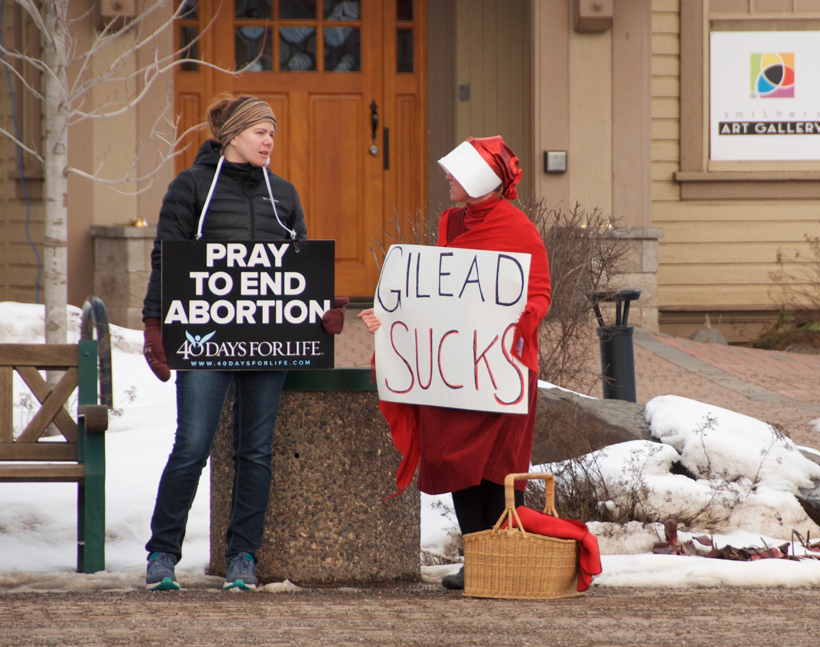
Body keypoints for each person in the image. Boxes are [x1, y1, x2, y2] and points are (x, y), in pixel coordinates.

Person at [140, 94, 348, 591]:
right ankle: (162, 554)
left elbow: (296, 270)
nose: (269, 140)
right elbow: (166, 260)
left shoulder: (284, 195)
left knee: (255, 450)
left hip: (268, 341)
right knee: (192, 445)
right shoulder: (188, 188)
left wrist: (323, 309)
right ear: (232, 134)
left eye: (272, 132)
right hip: (204, 338)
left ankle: (242, 557)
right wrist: (154, 326)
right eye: (260, 131)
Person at [359, 136, 550, 590]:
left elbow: (538, 292)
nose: (447, 178)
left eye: (456, 172)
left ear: (481, 179)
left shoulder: (519, 228)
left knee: (500, 467)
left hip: (500, 367)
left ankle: (505, 557)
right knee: (458, 463)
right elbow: (438, 290)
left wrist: (513, 324)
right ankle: (477, 557)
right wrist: (392, 315)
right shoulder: (452, 221)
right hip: (454, 370)